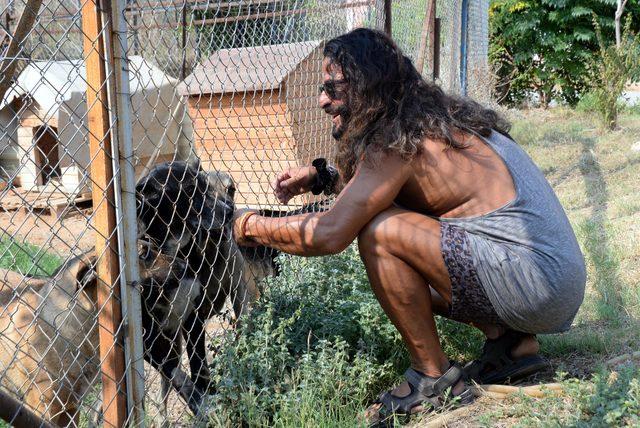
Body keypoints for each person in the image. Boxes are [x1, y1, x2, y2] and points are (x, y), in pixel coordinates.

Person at [232, 28, 586, 422]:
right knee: (408, 239)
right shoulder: (432, 125)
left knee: (381, 234)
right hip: (552, 281)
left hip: (536, 285)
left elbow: (331, 233)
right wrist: (323, 179)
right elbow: (389, 192)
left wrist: (246, 225)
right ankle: (513, 345)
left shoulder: (396, 142)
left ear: (367, 87)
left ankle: (433, 379)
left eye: (333, 88)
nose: (322, 100)